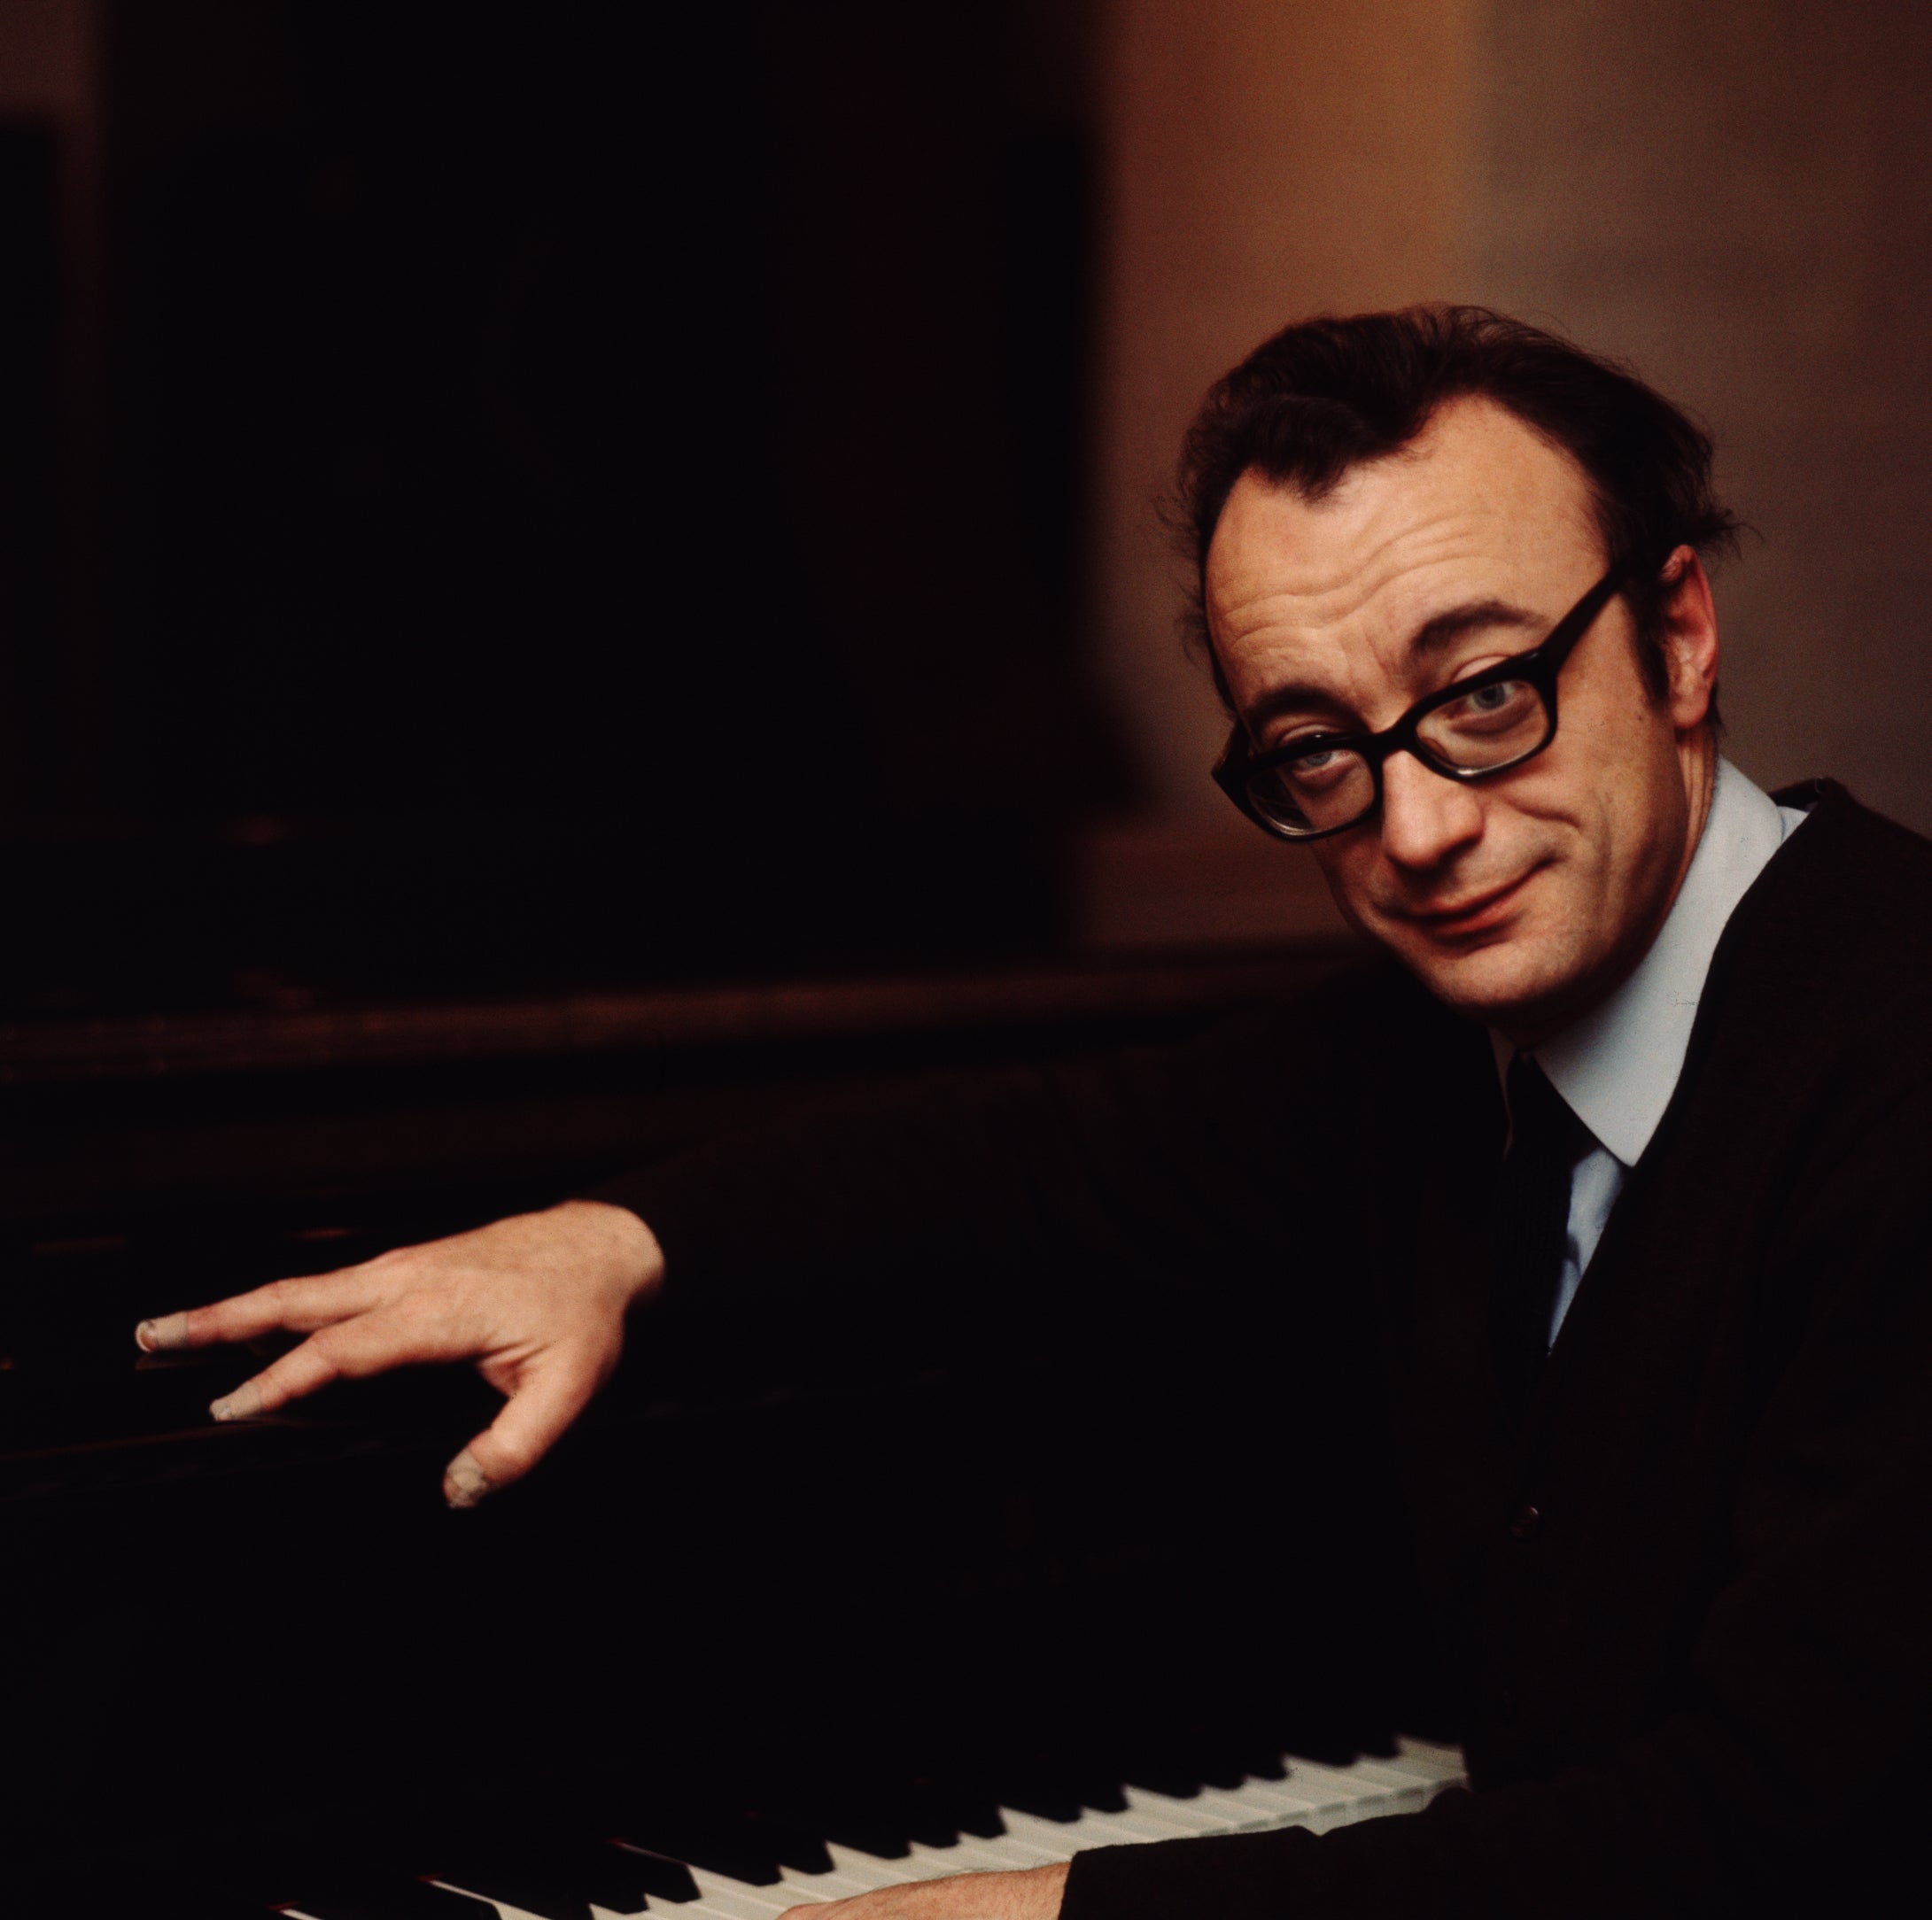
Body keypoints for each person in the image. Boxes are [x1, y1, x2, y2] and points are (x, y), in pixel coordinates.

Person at [136, 308, 1932, 1918]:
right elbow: (1042, 1157)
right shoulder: (1441, 1054)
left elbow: (1770, 1847)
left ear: (1676, 636)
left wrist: (1047, 1913)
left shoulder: (1888, 1062)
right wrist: (614, 1240)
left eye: (1480, 695)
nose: (1415, 829)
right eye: (1317, 747)